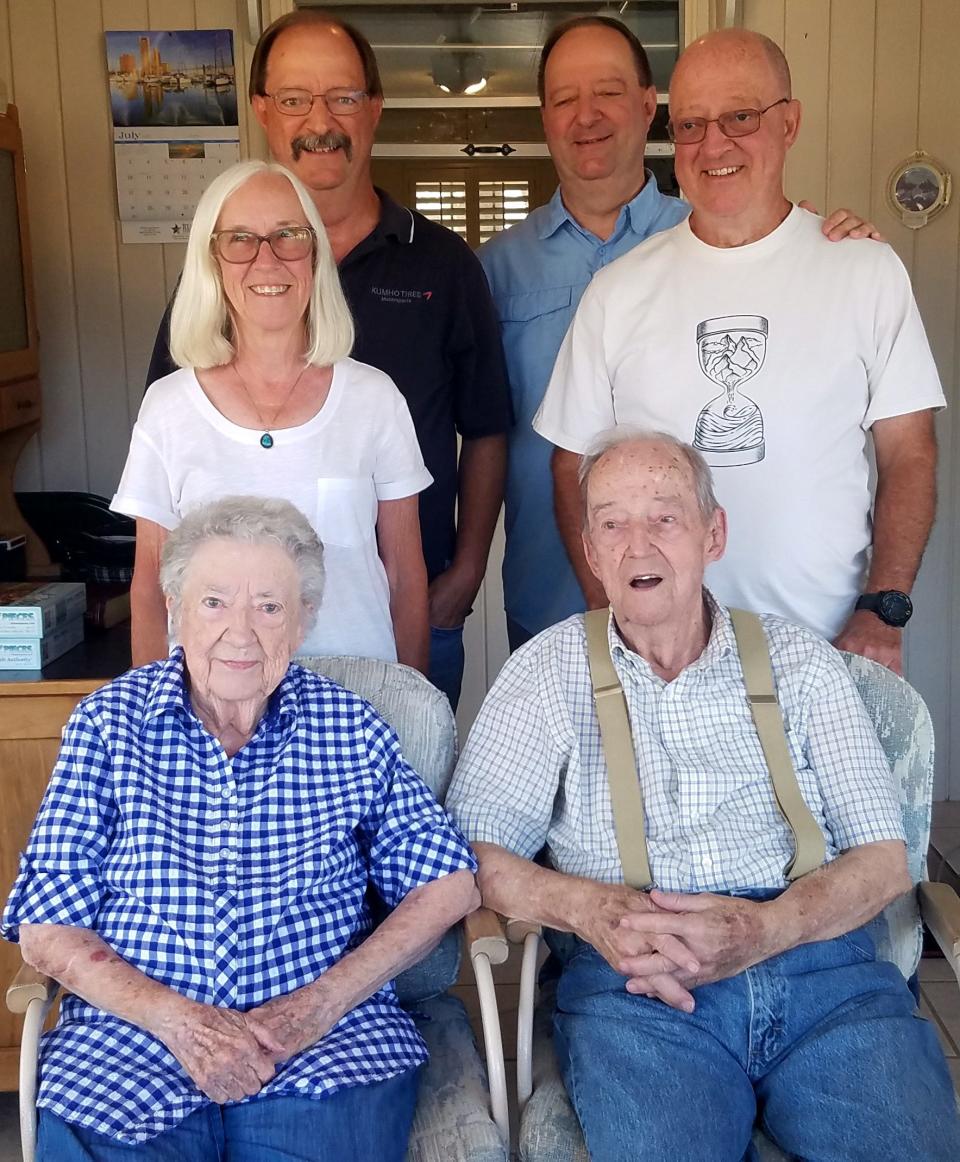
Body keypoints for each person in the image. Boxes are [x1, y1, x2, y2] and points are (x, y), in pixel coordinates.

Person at [445, 429, 960, 1161]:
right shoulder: (545, 675)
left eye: (665, 516)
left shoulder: (802, 665)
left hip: (824, 975)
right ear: (590, 552)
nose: (638, 544)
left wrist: (768, 930)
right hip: (640, 992)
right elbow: (471, 851)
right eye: (612, 523)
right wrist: (591, 911)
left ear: (712, 534)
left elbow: (883, 859)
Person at [2, 495, 478, 1161]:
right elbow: (47, 926)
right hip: (131, 1042)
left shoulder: (351, 728)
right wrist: (179, 1023)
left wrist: (319, 1005)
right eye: (215, 602)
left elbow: (448, 885)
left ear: (305, 618)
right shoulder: (107, 726)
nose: (241, 631)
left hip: (323, 1049)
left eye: (270, 606)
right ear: (175, 610)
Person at [534, 28, 943, 675]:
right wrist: (615, 618)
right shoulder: (618, 291)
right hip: (665, 662)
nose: (714, 143)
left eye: (740, 117)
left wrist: (883, 608)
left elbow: (909, 451)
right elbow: (571, 466)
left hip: (829, 648)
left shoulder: (864, 271)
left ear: (790, 122)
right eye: (691, 124)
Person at [146, 10, 512, 709]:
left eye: (342, 96)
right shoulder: (221, 283)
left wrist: (463, 575)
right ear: (261, 111)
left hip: (409, 610)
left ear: (374, 108)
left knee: (403, 805)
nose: (320, 120)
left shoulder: (444, 264)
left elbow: (486, 424)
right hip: (230, 657)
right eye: (293, 99)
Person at [114, 159, 433, 672]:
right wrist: (152, 720)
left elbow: (405, 575)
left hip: (355, 706)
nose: (267, 260)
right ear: (212, 260)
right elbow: (152, 585)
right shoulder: (169, 408)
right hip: (212, 713)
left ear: (314, 256)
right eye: (240, 239)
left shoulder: (375, 399)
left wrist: (415, 703)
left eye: (289, 235)